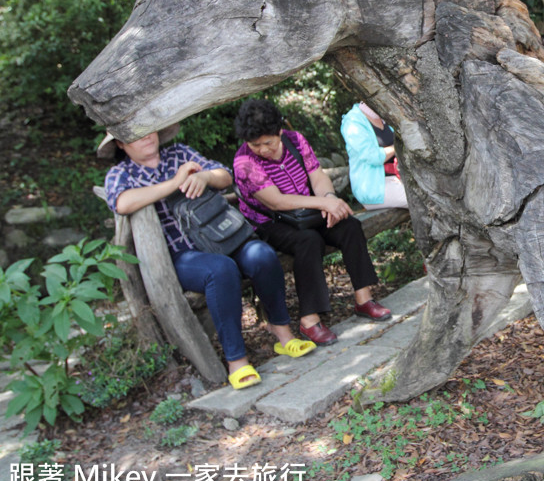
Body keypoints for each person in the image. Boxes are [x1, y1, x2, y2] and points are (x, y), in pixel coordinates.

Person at [101, 125, 315, 391]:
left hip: (220, 238)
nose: (145, 136)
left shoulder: (179, 153)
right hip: (180, 256)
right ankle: (237, 360)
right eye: (135, 134)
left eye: (148, 129)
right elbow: (122, 203)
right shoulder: (121, 174)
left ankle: (281, 332)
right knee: (221, 269)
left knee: (262, 254)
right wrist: (174, 183)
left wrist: (204, 177)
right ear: (120, 144)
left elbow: (225, 175)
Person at [233, 100, 392, 343]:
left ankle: (364, 299)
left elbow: (317, 176)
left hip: (306, 210)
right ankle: (309, 319)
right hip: (271, 222)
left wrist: (329, 198)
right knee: (308, 241)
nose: (263, 149)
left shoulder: (294, 140)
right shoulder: (244, 162)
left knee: (349, 226)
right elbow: (275, 202)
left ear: (279, 131)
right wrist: (322, 204)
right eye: (256, 145)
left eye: (268, 142)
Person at [340, 103, 408, 210]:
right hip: (374, 188)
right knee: (424, 198)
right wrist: (397, 147)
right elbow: (372, 157)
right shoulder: (352, 121)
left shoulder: (383, 115)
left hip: (399, 177)